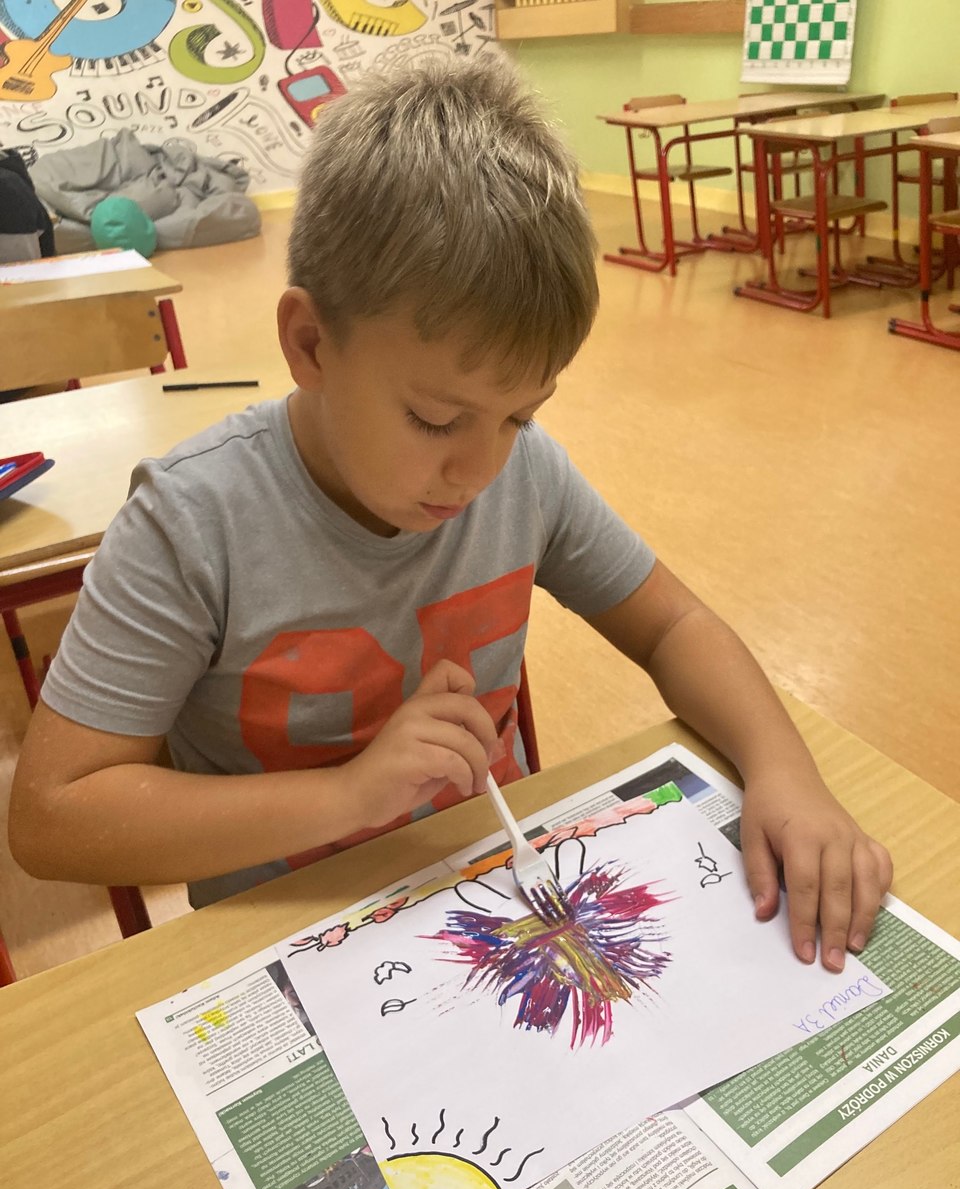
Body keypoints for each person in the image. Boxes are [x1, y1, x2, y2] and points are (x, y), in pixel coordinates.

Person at [8, 57, 891, 970]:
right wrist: (350, 796)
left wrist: (782, 770)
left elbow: (674, 625)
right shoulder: (192, 524)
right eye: (435, 419)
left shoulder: (525, 476)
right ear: (310, 343)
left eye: (520, 416)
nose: (478, 470)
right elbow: (52, 819)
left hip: (497, 896)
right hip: (295, 948)